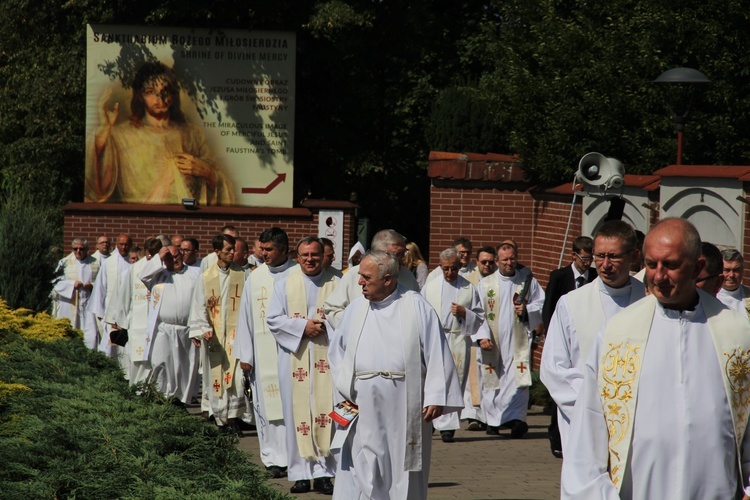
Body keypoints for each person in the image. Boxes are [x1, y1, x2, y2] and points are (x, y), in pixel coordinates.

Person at [561, 218, 750, 499]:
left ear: (698, 268)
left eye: (671, 265)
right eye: (651, 265)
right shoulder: (618, 335)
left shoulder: (737, 335)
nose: (658, 276)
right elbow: (587, 435)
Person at [328, 250, 463, 499]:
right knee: (365, 463)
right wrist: (343, 390)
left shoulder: (416, 306)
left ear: (388, 279)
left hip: (406, 402)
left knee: (404, 466)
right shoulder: (356, 309)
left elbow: (437, 351)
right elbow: (337, 353)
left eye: (366, 277)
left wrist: (435, 395)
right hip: (363, 401)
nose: (360, 282)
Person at [540, 221, 645, 453]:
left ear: (634, 256)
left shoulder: (649, 300)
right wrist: (594, 407)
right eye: (599, 256)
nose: (605, 265)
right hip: (584, 420)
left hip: (640, 424)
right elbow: (553, 368)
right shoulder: (571, 303)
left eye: (614, 257)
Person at [86, 61, 234, 206]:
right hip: (143, 221)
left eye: (165, 91)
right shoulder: (121, 135)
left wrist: (207, 172)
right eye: (151, 92)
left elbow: (225, 189)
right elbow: (95, 184)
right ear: (139, 96)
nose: (160, 98)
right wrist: (104, 129)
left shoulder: (192, 135)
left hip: (187, 219)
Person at [267, 237, 340, 495]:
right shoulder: (284, 283)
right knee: (296, 414)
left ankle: (324, 473)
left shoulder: (338, 283)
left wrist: (322, 327)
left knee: (325, 413)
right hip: (294, 359)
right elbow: (273, 320)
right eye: (305, 255)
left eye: (315, 255)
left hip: (326, 361)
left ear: (324, 256)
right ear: (297, 257)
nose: (310, 259)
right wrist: (302, 327)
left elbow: (348, 319)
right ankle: (299, 474)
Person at [235, 227, 299, 479]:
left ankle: (294, 457)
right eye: (262, 248)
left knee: (291, 406)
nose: (263, 253)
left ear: (284, 249)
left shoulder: (297, 274)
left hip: (292, 353)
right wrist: (246, 355)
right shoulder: (255, 276)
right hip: (263, 356)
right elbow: (246, 318)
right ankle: (273, 458)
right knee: (267, 406)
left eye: (269, 249)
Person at [476, 240, 544, 438]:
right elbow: (478, 312)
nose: (509, 263)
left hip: (518, 340)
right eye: (505, 259)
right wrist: (481, 337)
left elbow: (541, 302)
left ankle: (516, 419)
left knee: (518, 380)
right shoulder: (486, 284)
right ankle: (493, 421)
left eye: (512, 259)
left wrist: (528, 309)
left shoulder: (527, 280)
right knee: (492, 380)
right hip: (494, 341)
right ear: (497, 261)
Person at [421, 248, 488, 442]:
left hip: (457, 338)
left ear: (459, 267)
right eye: (446, 269)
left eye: (454, 269)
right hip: (435, 337)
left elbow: (480, 316)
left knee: (455, 380)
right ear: (440, 267)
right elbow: (422, 312)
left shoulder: (468, 288)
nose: (450, 273)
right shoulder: (430, 286)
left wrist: (465, 312)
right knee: (434, 378)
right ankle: (433, 420)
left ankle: (448, 426)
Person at [540, 235, 597, 458]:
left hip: (584, 340)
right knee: (562, 389)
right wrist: (548, 332)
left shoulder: (594, 277)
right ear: (574, 256)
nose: (587, 263)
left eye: (589, 258)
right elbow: (549, 306)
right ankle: (556, 437)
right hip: (563, 335)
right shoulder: (559, 276)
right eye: (584, 259)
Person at [188, 233, 246, 435]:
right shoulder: (206, 277)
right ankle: (221, 421)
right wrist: (203, 329)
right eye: (228, 249)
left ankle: (232, 419)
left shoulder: (243, 274)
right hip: (214, 338)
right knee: (217, 377)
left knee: (237, 378)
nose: (233, 253)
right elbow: (199, 305)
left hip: (236, 335)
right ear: (217, 251)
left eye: (234, 249)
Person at [140, 245, 201, 405]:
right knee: (161, 361)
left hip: (187, 329)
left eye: (176, 256)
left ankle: (180, 400)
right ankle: (161, 396)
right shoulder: (158, 275)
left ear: (181, 254)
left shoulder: (195, 273)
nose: (174, 260)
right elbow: (142, 275)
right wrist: (159, 256)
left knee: (185, 368)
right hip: (163, 329)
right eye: (169, 258)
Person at [323, 229, 419, 329]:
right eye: (398, 254)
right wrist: (359, 325)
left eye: (404, 253)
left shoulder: (408, 276)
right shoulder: (353, 275)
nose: (403, 258)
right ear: (379, 253)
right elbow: (332, 309)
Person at [109, 236, 169, 385]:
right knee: (138, 360)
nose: (152, 257)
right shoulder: (135, 268)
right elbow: (125, 295)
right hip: (138, 322)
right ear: (145, 251)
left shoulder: (165, 269)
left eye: (156, 253)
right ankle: (136, 389)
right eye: (150, 254)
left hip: (158, 322)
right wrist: (120, 320)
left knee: (157, 359)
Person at [463, 245, 499, 431]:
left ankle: (490, 415)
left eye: (490, 262)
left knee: (491, 377)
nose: (487, 265)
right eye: (483, 262)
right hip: (475, 336)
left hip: (499, 339)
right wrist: (480, 335)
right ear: (476, 263)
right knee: (474, 378)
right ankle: (473, 416)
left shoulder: (501, 281)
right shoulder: (468, 282)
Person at [87, 233, 132, 365]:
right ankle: (108, 370)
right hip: (110, 312)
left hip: (128, 312)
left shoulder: (133, 262)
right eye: (121, 244)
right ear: (117, 245)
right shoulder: (109, 263)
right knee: (110, 345)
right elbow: (100, 287)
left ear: (131, 245)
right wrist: (100, 312)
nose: (123, 247)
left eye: (126, 244)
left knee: (126, 346)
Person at [52, 238, 100, 349]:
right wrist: (72, 284)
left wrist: (92, 285)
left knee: (91, 335)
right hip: (70, 303)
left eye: (81, 249)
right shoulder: (65, 262)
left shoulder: (94, 263)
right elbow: (55, 282)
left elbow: (101, 282)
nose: (78, 251)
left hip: (88, 304)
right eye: (75, 249)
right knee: (70, 332)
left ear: (87, 249)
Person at [717, 248, 750, 316]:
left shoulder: (748, 296)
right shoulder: (708, 296)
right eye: (726, 270)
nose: (731, 275)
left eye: (736, 270)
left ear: (742, 271)